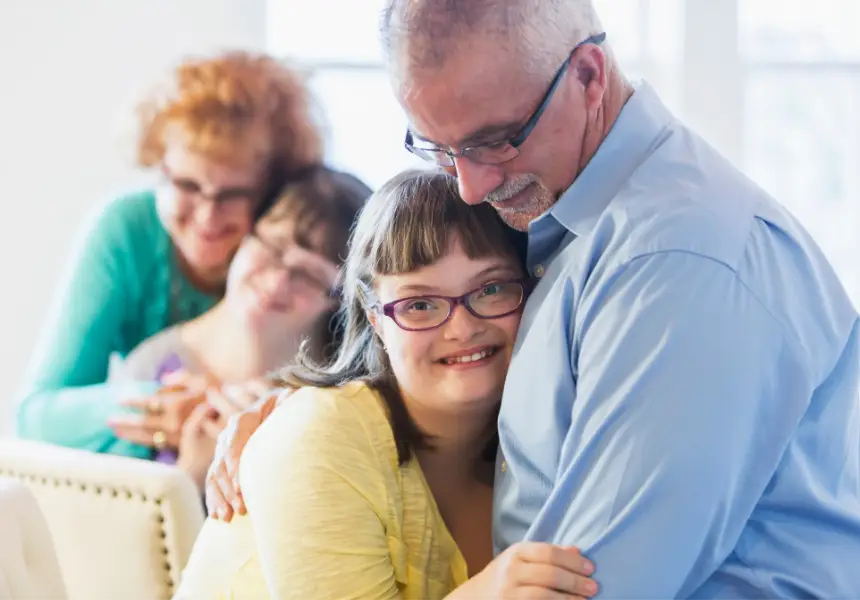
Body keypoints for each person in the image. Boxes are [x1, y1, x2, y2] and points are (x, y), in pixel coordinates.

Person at [208, 1, 860, 598]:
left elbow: (589, 586)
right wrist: (312, 419)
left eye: (493, 140)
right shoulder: (557, 213)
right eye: (438, 147)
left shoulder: (669, 262)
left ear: (588, 75)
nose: (468, 185)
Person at [174, 169, 598, 600]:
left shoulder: (544, 437)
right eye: (419, 304)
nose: (463, 327)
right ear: (377, 321)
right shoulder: (320, 437)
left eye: (491, 289)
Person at [16, 50, 322, 459]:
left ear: (271, 188)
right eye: (187, 186)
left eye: (234, 194)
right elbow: (36, 416)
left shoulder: (286, 263)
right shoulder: (125, 229)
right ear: (158, 166)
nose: (207, 217)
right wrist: (169, 400)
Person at [105, 167, 370, 490]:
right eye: (272, 250)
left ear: (339, 299)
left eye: (308, 276)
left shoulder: (343, 396)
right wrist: (193, 474)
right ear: (244, 237)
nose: (276, 283)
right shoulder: (154, 367)